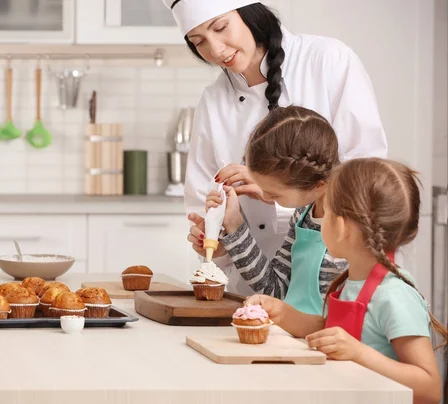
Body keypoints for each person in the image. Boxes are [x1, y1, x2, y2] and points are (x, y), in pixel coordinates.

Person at [162, 0, 387, 294]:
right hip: (255, 289)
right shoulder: (213, 100)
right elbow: (202, 197)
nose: (215, 50)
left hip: (335, 283)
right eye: (199, 41)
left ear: (250, 13)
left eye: (220, 27)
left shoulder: (328, 61)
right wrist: (216, 242)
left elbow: (367, 173)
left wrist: (273, 189)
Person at [246, 158, 447, 404]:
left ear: (341, 227)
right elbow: (329, 330)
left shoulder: (394, 296)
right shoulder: (350, 281)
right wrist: (283, 314)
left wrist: (358, 353)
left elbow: (430, 387)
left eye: (326, 212)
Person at [193, 106, 346, 315]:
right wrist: (234, 225)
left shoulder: (353, 226)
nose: (264, 197)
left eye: (274, 194)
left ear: (318, 185)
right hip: (295, 339)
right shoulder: (303, 217)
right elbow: (275, 290)